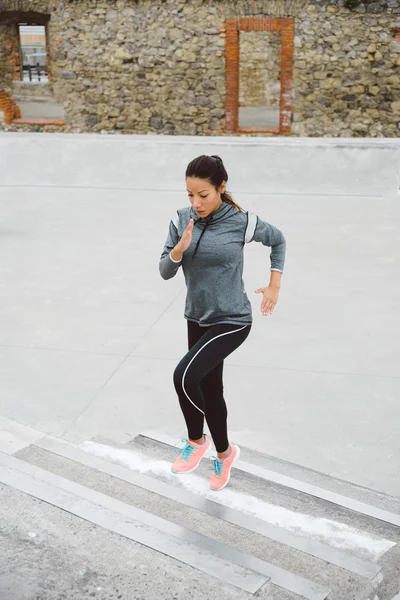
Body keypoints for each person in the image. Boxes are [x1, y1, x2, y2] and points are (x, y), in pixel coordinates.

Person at [159, 155, 286, 491]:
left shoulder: (242, 222)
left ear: (221, 188)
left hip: (232, 319)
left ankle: (196, 440)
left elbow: (279, 240)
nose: (196, 202)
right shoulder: (181, 220)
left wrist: (274, 283)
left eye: (204, 194)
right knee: (211, 390)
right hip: (196, 317)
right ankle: (224, 454)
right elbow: (164, 270)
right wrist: (178, 251)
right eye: (190, 194)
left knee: (183, 377)